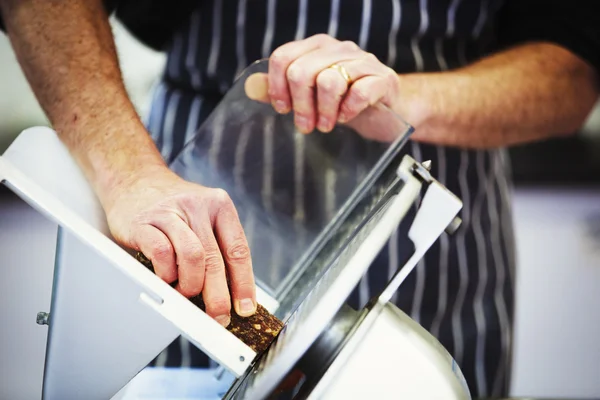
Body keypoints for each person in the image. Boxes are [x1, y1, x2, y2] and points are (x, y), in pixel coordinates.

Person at [0, 0, 598, 397]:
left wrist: (402, 101)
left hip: (431, 218)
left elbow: (573, 72)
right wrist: (130, 174)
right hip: (193, 203)